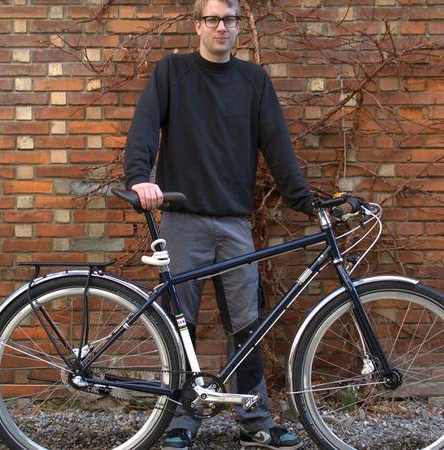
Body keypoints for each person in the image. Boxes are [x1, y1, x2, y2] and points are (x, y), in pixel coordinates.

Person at [123, 0, 314, 448]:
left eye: (229, 19)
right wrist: (138, 178)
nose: (221, 27)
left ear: (238, 26)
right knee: (180, 326)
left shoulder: (254, 81)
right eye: (212, 19)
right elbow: (145, 127)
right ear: (198, 25)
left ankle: (254, 420)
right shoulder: (173, 72)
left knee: (246, 325)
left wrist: (304, 201)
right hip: (182, 220)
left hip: (233, 222)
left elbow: (278, 146)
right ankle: (181, 422)